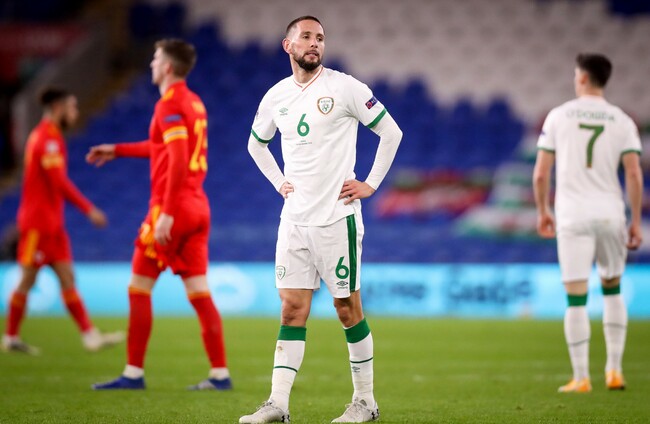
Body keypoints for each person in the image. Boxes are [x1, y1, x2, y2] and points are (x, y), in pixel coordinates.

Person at [239, 16, 402, 423]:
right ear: (288, 45)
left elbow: (392, 133)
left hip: (336, 219)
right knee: (291, 310)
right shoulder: (276, 96)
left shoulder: (345, 88)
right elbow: (256, 144)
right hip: (294, 221)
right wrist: (279, 182)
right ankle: (278, 404)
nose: (315, 43)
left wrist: (371, 184)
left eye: (321, 38)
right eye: (307, 37)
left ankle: (365, 402)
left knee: (347, 308)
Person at [86, 38, 231, 391]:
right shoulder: (194, 102)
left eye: (155, 59)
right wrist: (118, 149)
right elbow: (163, 147)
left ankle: (133, 373)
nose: (151, 64)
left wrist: (166, 213)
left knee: (139, 287)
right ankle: (219, 374)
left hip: (173, 208)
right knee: (199, 291)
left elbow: (178, 157)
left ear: (167, 67)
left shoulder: (168, 103)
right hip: (198, 206)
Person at [533, 53, 643, 393]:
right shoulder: (623, 120)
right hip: (611, 213)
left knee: (576, 298)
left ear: (582, 78)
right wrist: (635, 220)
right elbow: (634, 173)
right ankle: (615, 371)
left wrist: (543, 210)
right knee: (613, 289)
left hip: (573, 215)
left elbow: (541, 174)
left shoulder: (559, 116)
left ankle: (581, 377)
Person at [2, 88, 123, 355]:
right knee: (27, 280)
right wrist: (89, 209)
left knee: (68, 277)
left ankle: (89, 335)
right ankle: (10, 336)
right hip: (37, 225)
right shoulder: (46, 139)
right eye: (72, 107)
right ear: (58, 108)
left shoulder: (51, 136)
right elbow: (58, 182)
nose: (75, 113)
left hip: (53, 225)